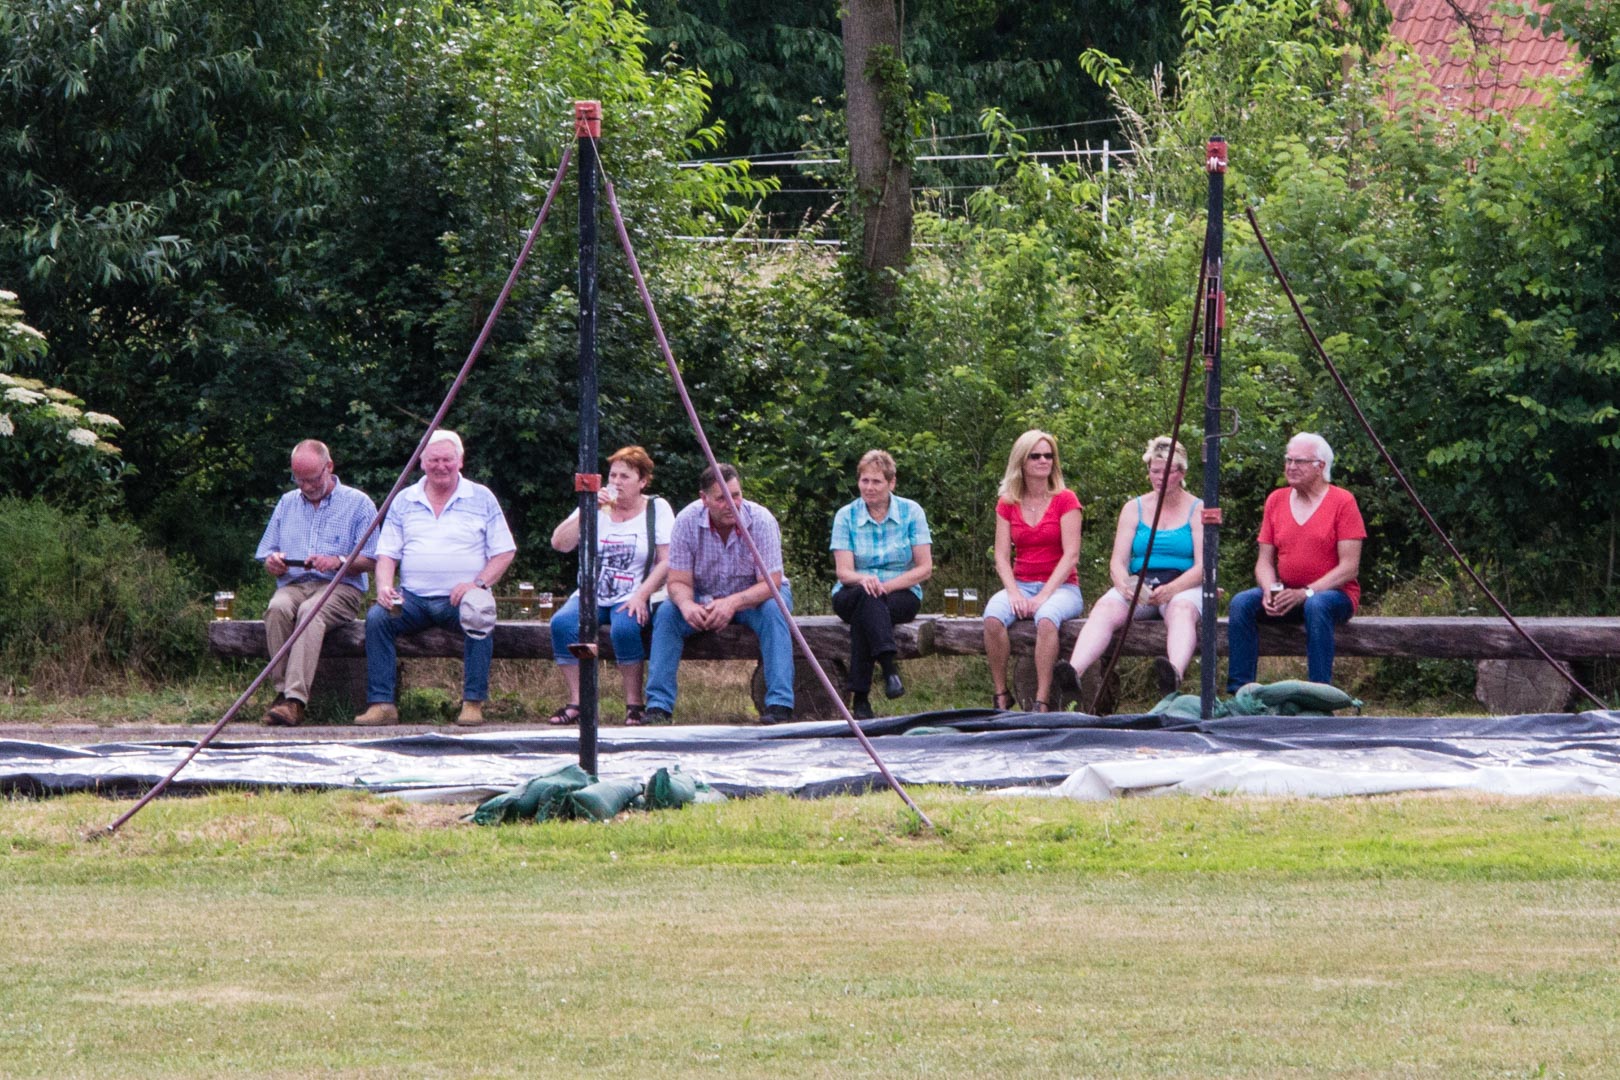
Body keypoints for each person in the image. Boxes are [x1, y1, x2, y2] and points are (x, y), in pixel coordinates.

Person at [356, 430, 516, 727]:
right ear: (421, 462)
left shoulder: (481, 497)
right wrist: (385, 587)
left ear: (460, 461)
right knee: (378, 618)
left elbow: (504, 552)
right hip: (412, 599)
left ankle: (472, 702)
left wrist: (477, 584)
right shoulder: (404, 500)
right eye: (433, 460)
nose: (441, 466)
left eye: (447, 460)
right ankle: (382, 703)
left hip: (461, 600)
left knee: (480, 614)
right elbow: (387, 554)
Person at [1054, 436, 1203, 706]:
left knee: (1181, 610)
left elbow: (1204, 566)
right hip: (1141, 582)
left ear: (1181, 473)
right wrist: (1125, 585)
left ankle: (1173, 675)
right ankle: (1073, 673)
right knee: (1105, 607)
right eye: (1154, 471)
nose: (1159, 478)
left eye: (1167, 471)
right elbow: (1118, 561)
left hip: (1182, 584)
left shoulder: (1197, 508)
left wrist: (1172, 589)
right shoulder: (1133, 508)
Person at [642, 462, 795, 725]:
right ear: (704, 499)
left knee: (776, 609)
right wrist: (687, 605)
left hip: (755, 598)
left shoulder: (761, 520)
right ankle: (658, 707)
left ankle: (780, 705)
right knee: (667, 613)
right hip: (704, 598)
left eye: (736, 495)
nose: (731, 504)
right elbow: (677, 581)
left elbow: (771, 583)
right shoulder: (686, 521)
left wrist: (732, 603)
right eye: (722, 498)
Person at [1225, 432, 1365, 691]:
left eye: (1299, 461)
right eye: (1288, 460)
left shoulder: (1342, 501)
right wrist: (1269, 590)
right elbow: (1264, 561)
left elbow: (1349, 568)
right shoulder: (1276, 500)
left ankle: (1319, 694)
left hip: (1334, 595)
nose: (1290, 467)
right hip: (1289, 592)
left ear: (1320, 466)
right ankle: (1241, 692)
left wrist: (1306, 592)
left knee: (1317, 605)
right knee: (1241, 603)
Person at [546, 445, 674, 726]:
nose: (616, 482)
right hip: (592, 593)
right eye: (613, 475)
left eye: (625, 476)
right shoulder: (596, 506)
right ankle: (579, 701)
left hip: (633, 591)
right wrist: (587, 509)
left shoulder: (656, 509)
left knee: (625, 629)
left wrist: (642, 595)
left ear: (642, 482)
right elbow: (559, 543)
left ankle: (634, 704)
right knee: (563, 625)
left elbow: (667, 560)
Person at [254, 440, 379, 727]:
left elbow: (374, 558)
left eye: (312, 479)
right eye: (299, 480)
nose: (307, 487)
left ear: (329, 467)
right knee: (277, 608)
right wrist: (273, 561)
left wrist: (339, 560)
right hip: (294, 584)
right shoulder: (287, 503)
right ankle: (282, 693)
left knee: (310, 612)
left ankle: (295, 701)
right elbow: (266, 551)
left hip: (341, 588)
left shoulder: (359, 503)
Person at [983, 429, 1084, 712]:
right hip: (1022, 582)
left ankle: (1042, 699)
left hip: (1062, 586)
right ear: (1022, 462)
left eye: (1048, 456)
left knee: (1047, 618)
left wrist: (1043, 596)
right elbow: (1001, 556)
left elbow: (1071, 555)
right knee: (992, 617)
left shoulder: (1066, 499)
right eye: (1036, 456)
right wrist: (1014, 593)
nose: (1043, 461)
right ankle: (1001, 694)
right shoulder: (1008, 503)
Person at [829, 450, 933, 720]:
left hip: (900, 592)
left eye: (876, 481)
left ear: (891, 483)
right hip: (852, 591)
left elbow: (924, 568)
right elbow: (844, 573)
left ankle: (861, 698)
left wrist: (885, 587)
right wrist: (865, 580)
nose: (869, 487)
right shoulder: (846, 515)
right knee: (866, 597)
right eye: (864, 481)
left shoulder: (911, 512)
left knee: (868, 608)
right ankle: (889, 667)